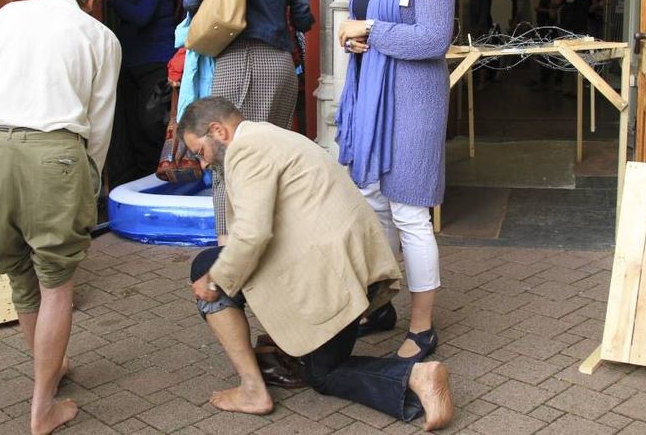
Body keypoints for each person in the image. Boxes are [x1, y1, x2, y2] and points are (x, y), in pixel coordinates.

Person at [182, 97, 454, 431]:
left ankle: (414, 377)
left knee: (323, 374)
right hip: (354, 272)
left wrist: (214, 281)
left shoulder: (245, 151)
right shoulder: (270, 135)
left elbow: (252, 235)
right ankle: (404, 370)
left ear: (217, 131)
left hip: (334, 280)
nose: (202, 163)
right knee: (219, 267)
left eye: (199, 152)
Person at [0, 0, 121, 435]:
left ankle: (51, 369)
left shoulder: (5, 15)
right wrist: (88, 178)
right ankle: (42, 406)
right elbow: (99, 122)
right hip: (54, 153)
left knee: (19, 276)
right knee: (57, 282)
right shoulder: (98, 36)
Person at [335, 0, 455, 361]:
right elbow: (360, 18)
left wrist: (370, 33)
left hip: (413, 101)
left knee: (409, 211)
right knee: (371, 203)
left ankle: (422, 327)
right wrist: (357, 42)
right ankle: (381, 302)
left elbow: (433, 37)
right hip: (371, 95)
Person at [183, 0, 315, 242]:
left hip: (237, 58)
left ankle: (230, 244)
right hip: (279, 64)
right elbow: (303, 17)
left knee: (225, 152)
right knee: (270, 155)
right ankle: (271, 238)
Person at [100, 0, 176, 187]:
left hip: (154, 64)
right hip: (133, 65)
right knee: (134, 130)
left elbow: (141, 17)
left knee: (150, 126)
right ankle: (142, 184)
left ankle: (159, 179)